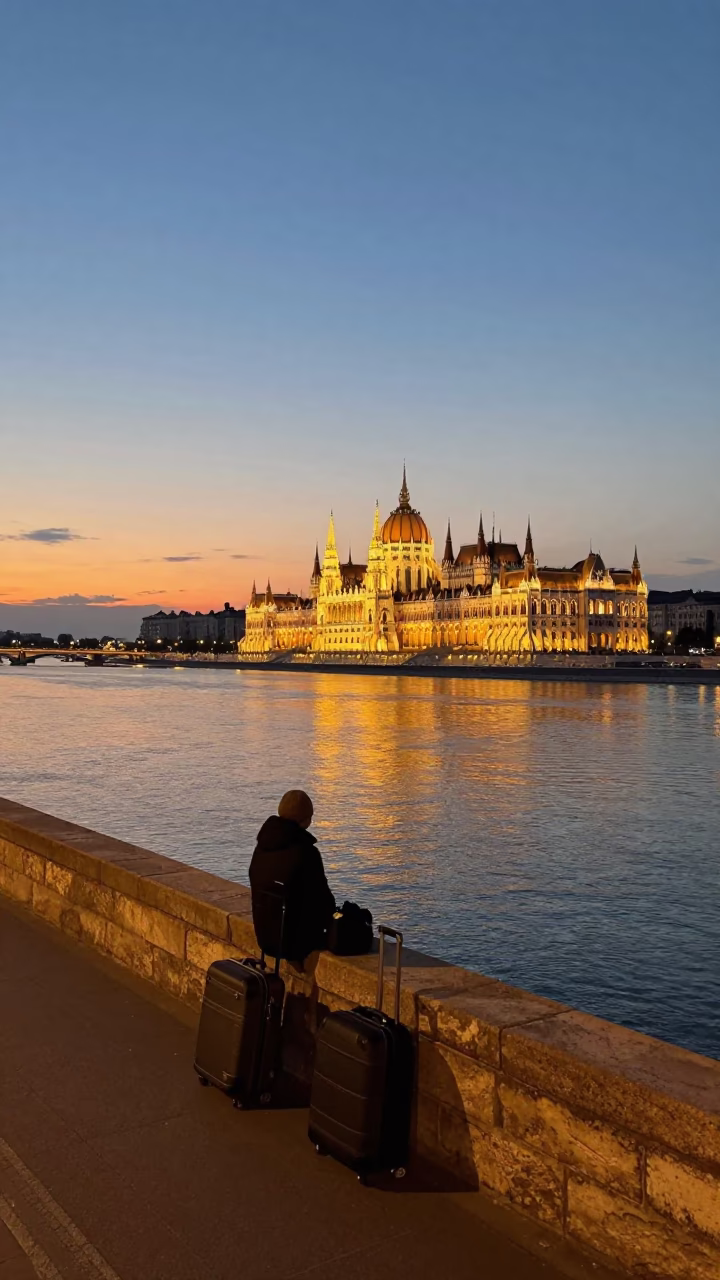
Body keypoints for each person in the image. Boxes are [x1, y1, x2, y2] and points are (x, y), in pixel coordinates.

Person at [249, 790, 336, 965]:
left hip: (265, 937)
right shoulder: (306, 852)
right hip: (294, 943)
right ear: (306, 820)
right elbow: (324, 902)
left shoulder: (263, 846)